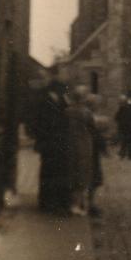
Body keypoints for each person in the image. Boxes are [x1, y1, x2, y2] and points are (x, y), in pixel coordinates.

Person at [34, 79, 71, 215]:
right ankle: (46, 202)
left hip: (59, 143)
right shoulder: (45, 101)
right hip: (49, 143)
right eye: (62, 89)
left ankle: (54, 202)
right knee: (48, 172)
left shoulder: (61, 100)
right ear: (55, 90)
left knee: (57, 172)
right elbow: (40, 123)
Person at [66, 85, 96, 215]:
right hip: (84, 144)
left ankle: (72, 203)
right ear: (83, 98)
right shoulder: (86, 112)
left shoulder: (67, 111)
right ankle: (78, 205)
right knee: (82, 174)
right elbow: (92, 128)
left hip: (70, 144)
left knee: (72, 172)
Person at [114, 94, 131, 158]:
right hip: (127, 126)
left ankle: (123, 153)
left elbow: (116, 117)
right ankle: (125, 153)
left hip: (123, 126)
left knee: (124, 140)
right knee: (126, 140)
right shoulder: (128, 107)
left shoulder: (122, 108)